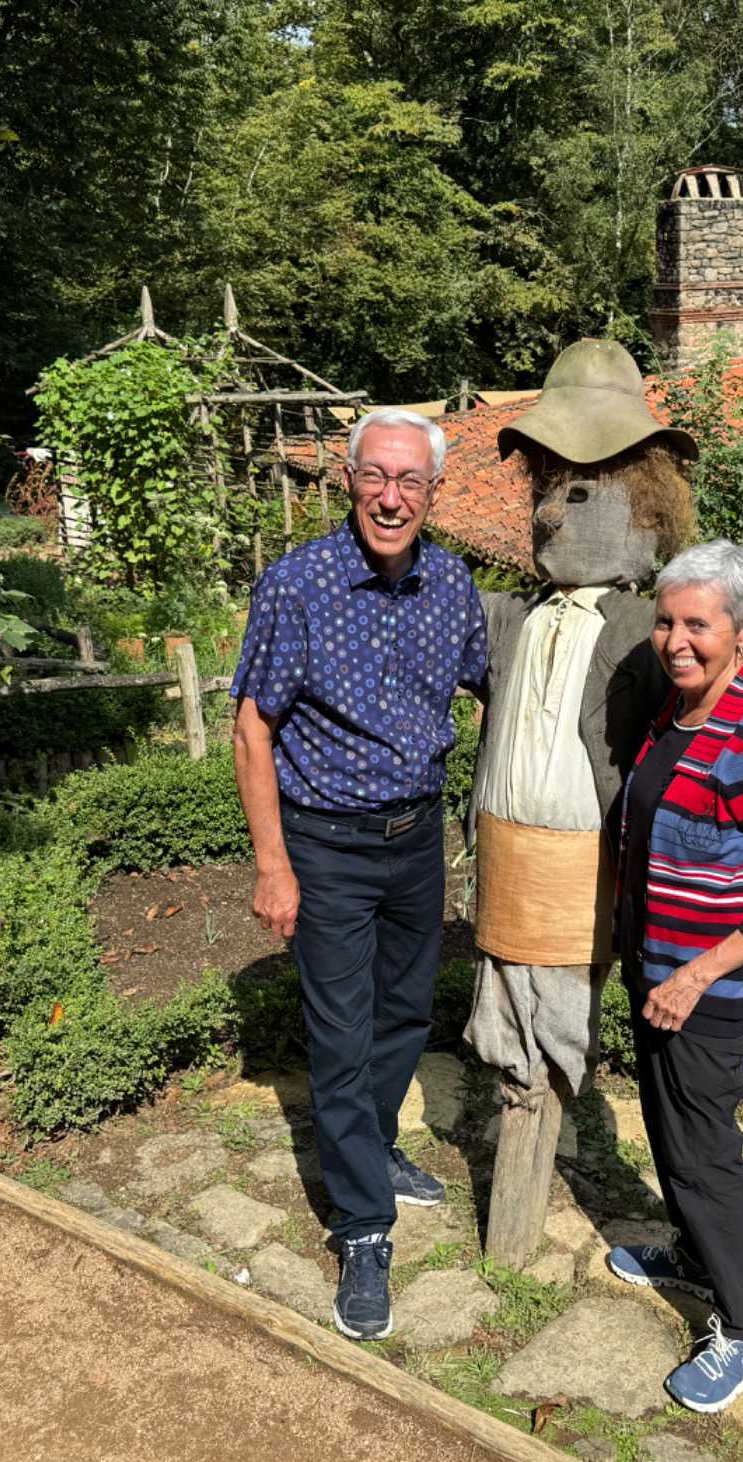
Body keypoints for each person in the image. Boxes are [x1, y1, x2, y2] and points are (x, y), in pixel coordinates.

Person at [230, 407, 488, 1342]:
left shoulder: (452, 584)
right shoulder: (297, 586)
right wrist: (274, 864)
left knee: (404, 1014)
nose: (390, 497)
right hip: (326, 844)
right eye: (375, 476)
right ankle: (364, 1226)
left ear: (434, 492)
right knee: (341, 1038)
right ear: (347, 479)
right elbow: (252, 727)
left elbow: (494, 686)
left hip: (415, 841)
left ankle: (372, 1148)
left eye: (409, 481)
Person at [604, 539, 743, 1413]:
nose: (675, 640)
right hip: (656, 974)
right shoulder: (677, 713)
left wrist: (694, 976)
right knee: (669, 1133)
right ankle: (696, 1258)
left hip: (705, 990)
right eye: (665, 622)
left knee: (704, 1153)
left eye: (698, 624)